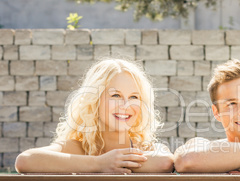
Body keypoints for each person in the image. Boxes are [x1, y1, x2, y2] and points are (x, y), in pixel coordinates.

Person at [15, 58, 174, 173]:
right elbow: (25, 160)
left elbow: (165, 161)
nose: (126, 105)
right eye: (116, 96)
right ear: (94, 100)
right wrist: (99, 164)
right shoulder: (75, 147)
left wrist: (114, 163)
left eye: (134, 97)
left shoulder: (145, 148)